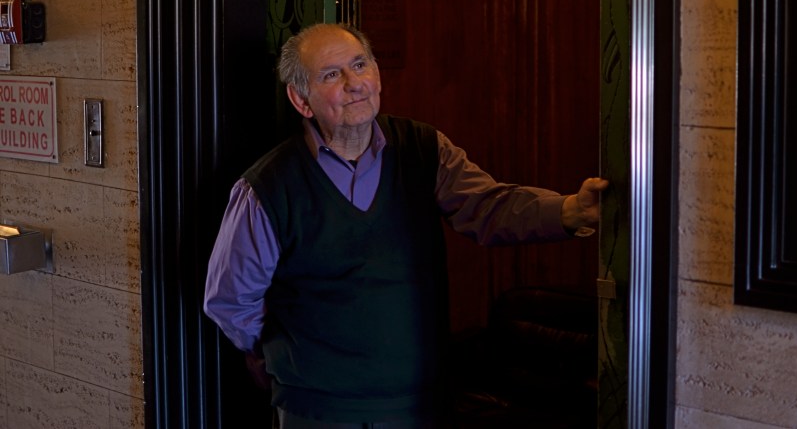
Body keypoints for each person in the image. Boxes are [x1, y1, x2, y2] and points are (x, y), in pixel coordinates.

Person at [203, 22, 607, 429]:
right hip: (318, 410)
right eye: (331, 74)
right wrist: (279, 355)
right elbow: (231, 299)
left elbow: (489, 206)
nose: (354, 83)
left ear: (377, 74)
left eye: (360, 65)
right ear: (300, 99)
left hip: (419, 405)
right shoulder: (267, 186)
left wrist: (571, 211)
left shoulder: (424, 149)